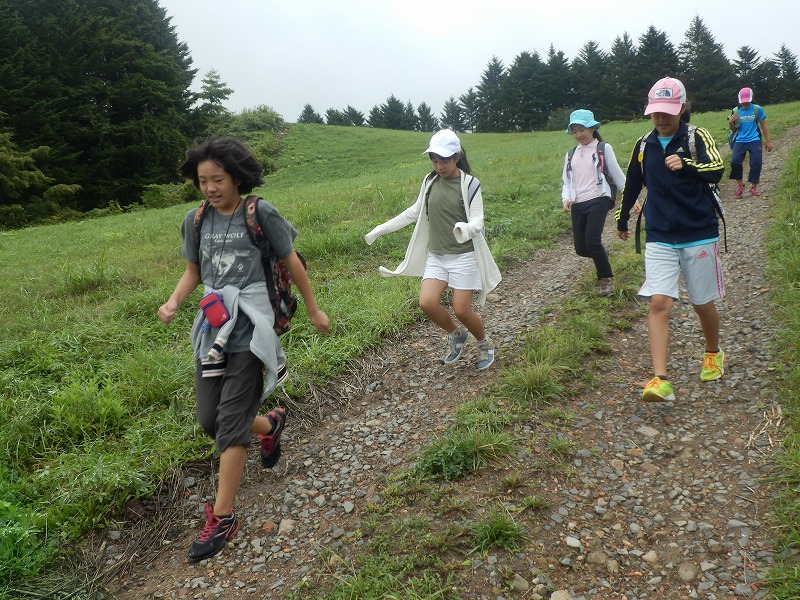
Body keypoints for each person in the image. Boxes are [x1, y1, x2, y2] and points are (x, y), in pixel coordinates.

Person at [157, 136, 330, 562]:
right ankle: (269, 427)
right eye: (203, 181)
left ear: (236, 177)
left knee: (229, 425)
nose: (211, 188)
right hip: (214, 325)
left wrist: (314, 309)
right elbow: (194, 271)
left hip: (253, 324)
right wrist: (174, 301)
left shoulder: (259, 212)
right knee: (209, 419)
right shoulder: (195, 220)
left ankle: (223, 516)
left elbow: (292, 261)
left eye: (218, 179)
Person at [615, 77, 725, 403]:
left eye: (668, 111)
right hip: (659, 235)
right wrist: (622, 219)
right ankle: (660, 379)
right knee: (659, 302)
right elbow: (634, 184)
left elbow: (717, 168)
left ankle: (712, 353)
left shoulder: (696, 136)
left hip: (699, 233)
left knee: (701, 303)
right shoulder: (643, 144)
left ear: (682, 108)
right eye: (656, 113)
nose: (661, 119)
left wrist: (688, 164)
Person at [364, 129, 501, 370]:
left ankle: (484, 343)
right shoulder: (429, 182)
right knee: (427, 303)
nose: (438, 166)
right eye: (434, 160)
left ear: (457, 156)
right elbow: (414, 211)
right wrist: (381, 229)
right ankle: (457, 335)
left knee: (462, 310)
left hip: (464, 256)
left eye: (444, 160)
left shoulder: (470, 184)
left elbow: (478, 220)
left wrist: (465, 229)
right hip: (436, 256)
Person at [561, 109, 627, 297]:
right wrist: (566, 198)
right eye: (574, 131)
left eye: (582, 129)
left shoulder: (603, 149)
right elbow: (567, 181)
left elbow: (617, 174)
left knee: (592, 240)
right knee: (581, 248)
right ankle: (602, 256)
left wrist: (631, 199)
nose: (579, 135)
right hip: (578, 203)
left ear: (592, 128)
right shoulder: (571, 154)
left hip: (598, 199)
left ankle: (606, 279)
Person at [728, 87, 773, 198]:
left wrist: (768, 141)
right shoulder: (735, 111)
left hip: (754, 139)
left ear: (751, 98)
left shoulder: (757, 109)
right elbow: (734, 130)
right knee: (735, 162)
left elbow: (763, 125)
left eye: (747, 99)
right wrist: (730, 122)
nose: (745, 102)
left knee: (756, 162)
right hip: (740, 140)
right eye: (743, 100)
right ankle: (740, 185)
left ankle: (753, 187)